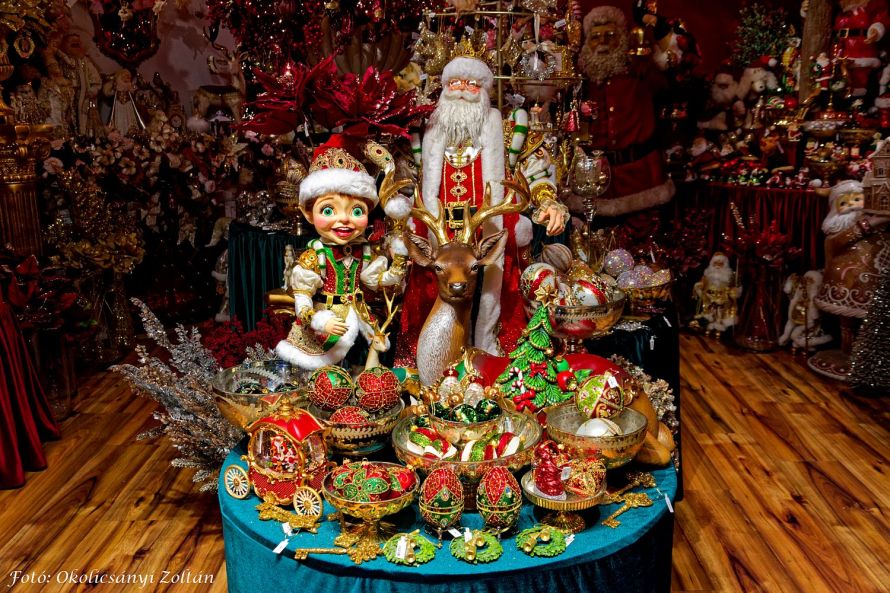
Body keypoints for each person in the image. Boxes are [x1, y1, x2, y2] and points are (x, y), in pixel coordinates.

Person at [396, 52, 568, 365]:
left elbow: (536, 175)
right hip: (440, 237)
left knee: (491, 298)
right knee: (436, 298)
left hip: (488, 237)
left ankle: (491, 360)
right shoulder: (425, 135)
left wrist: (548, 201)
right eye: (456, 83)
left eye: (472, 84)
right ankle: (434, 362)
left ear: (484, 91)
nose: (463, 90)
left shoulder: (505, 133)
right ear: (444, 89)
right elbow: (403, 186)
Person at [275, 137, 406, 370]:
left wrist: (398, 266)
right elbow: (303, 298)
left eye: (356, 211)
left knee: (369, 363)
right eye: (328, 210)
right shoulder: (315, 256)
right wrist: (318, 321)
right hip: (327, 323)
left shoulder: (365, 252)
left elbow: (376, 281)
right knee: (324, 370)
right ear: (308, 214)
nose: (344, 219)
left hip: (360, 317)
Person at [574, 5, 675, 217]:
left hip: (641, 180)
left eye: (610, 35)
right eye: (595, 37)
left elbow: (670, 81)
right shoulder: (579, 79)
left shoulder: (641, 70)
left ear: (622, 39)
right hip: (596, 181)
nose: (602, 41)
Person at [692, 252, 741, 334]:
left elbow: (734, 286)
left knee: (720, 314)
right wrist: (699, 286)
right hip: (709, 297)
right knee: (710, 313)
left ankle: (719, 328)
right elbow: (703, 283)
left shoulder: (730, 276)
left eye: (720, 264)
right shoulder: (707, 274)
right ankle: (709, 326)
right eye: (715, 263)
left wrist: (734, 291)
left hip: (723, 298)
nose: (717, 266)